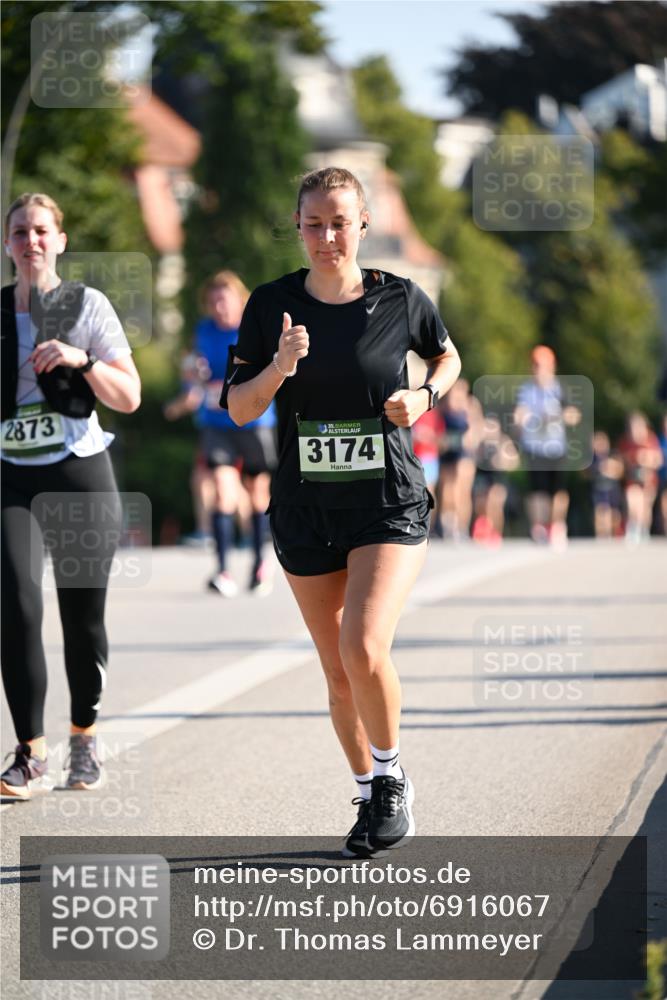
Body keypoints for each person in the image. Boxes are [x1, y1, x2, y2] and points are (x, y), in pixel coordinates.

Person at [223, 167, 461, 856]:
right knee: (335, 671)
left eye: (340, 222)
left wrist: (422, 397)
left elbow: (445, 358)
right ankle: (365, 792)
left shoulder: (399, 298)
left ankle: (391, 783)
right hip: (304, 508)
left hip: (385, 500)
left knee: (362, 644)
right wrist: (278, 367)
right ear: (297, 227)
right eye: (314, 223)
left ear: (363, 225)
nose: (328, 236)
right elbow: (240, 409)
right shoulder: (271, 306)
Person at [1, 192, 141, 799]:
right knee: (17, 606)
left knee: (82, 617)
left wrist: (82, 359)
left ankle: (83, 738)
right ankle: (29, 752)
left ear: (59, 240)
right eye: (19, 232)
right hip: (11, 473)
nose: (30, 241)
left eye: (41, 231)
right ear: (7, 245)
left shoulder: (87, 305)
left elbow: (129, 395)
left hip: (79, 468)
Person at [168, 272, 277, 596]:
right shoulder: (203, 331)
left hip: (255, 423)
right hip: (216, 425)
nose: (218, 306)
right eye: (213, 300)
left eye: (224, 299)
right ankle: (224, 571)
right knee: (222, 490)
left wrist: (237, 391)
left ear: (239, 301)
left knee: (258, 493)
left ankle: (260, 563)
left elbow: (271, 371)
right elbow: (193, 371)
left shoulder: (255, 329)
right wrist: (191, 387)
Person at [514, 345, 578, 548]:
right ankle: (539, 527)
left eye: (542, 365)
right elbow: (520, 412)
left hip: (555, 446)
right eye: (535, 365)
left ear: (551, 367)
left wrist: (557, 416)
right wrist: (520, 420)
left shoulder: (559, 389)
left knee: (557, 491)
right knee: (537, 491)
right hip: (534, 446)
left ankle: (557, 526)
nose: (538, 370)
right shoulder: (527, 390)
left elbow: (573, 414)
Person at [436, 378, 481, 540]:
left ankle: (462, 526)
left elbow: (477, 427)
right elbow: (437, 427)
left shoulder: (470, 404)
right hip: (447, 449)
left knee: (463, 489)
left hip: (464, 451)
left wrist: (471, 439)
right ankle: (449, 523)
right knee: (447, 488)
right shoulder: (442, 405)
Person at [617, 412, 662, 543]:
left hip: (649, 480)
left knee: (645, 506)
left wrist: (645, 460)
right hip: (632, 480)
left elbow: (658, 460)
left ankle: (643, 529)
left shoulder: (651, 440)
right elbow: (621, 461)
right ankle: (633, 527)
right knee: (632, 501)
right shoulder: (625, 442)